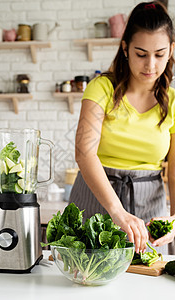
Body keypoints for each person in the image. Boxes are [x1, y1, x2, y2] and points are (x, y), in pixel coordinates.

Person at [69, 1, 175, 254]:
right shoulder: (101, 88)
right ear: (125, 48)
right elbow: (84, 152)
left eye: (159, 54)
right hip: (97, 199)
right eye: (141, 54)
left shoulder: (172, 100)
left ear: (171, 50)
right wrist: (117, 212)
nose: (150, 66)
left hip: (150, 207)